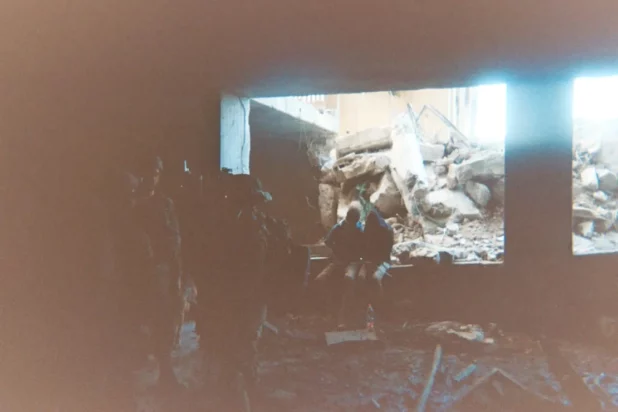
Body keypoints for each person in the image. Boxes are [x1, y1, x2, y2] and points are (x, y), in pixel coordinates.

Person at [196, 171, 269, 411]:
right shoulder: (239, 227)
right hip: (239, 301)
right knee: (237, 353)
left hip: (242, 299)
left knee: (238, 351)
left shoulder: (237, 224)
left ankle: (243, 393)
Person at [134, 156, 193, 391]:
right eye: (148, 172)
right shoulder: (133, 205)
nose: (152, 178)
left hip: (166, 272)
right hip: (144, 273)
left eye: (156, 173)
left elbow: (175, 241)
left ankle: (165, 372)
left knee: (167, 321)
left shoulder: (165, 204)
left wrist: (178, 273)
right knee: (148, 324)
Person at [315, 203, 365, 328]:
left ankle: (343, 315)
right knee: (320, 280)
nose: (351, 226)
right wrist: (337, 253)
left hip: (352, 262)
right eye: (350, 223)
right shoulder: (338, 228)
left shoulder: (360, 230)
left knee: (349, 280)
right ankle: (330, 310)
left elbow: (364, 249)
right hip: (337, 260)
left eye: (353, 224)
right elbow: (328, 243)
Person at [361, 209, 394, 313]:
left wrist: (376, 262)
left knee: (375, 278)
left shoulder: (386, 231)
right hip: (370, 261)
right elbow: (365, 249)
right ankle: (364, 307)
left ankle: (380, 305)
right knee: (361, 278)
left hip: (384, 261)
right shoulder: (369, 230)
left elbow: (386, 253)